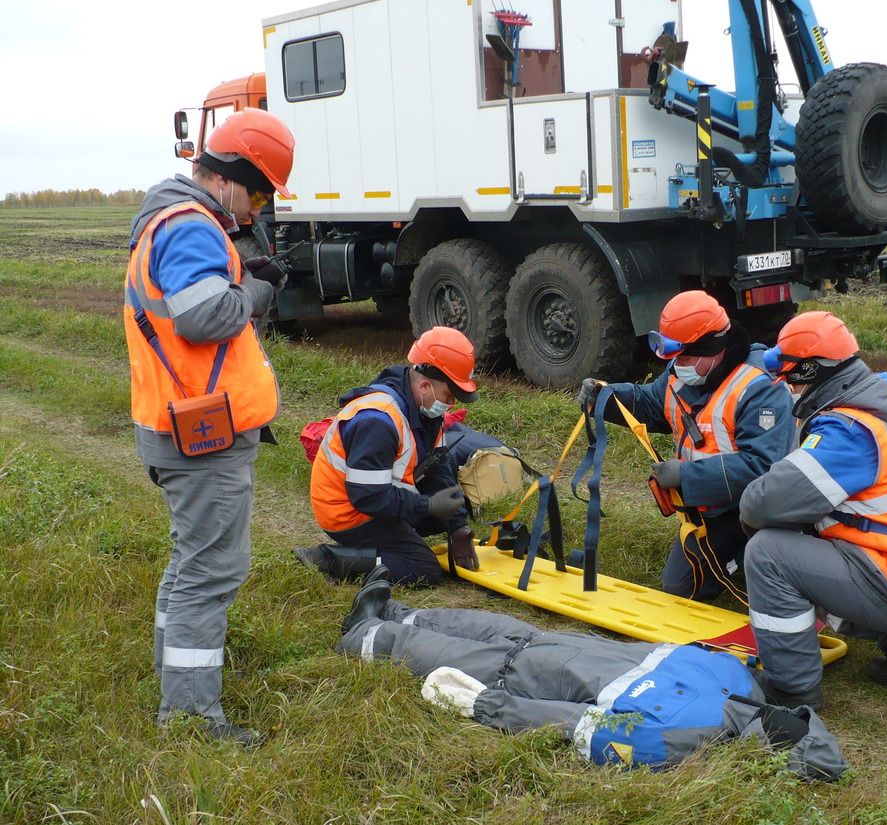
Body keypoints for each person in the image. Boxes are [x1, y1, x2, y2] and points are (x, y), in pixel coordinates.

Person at [123, 108, 296, 746]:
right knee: (211, 569)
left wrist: (241, 278)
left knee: (192, 561)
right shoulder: (192, 226)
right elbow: (202, 318)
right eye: (257, 192)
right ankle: (193, 718)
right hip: (201, 438)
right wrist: (253, 293)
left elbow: (191, 305)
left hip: (175, 424)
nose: (255, 210)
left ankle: (179, 678)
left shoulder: (168, 219)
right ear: (229, 177)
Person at [335, 574, 848, 780]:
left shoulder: (677, 743)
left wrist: (487, 707)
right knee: (490, 626)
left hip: (536, 678)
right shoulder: (741, 681)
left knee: (451, 654)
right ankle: (400, 613)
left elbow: (575, 725)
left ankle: (364, 636)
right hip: (576, 649)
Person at [740, 311, 887, 711]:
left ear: (812, 370)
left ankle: (792, 690)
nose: (785, 385)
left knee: (769, 553)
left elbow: (762, 504)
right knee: (814, 538)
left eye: (790, 375)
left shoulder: (848, 430)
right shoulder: (884, 407)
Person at [577, 291, 794, 601]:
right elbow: (653, 404)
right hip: (714, 505)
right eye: (676, 359)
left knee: (689, 586)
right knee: (680, 589)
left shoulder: (762, 388)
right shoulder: (684, 371)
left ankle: (761, 550)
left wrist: (686, 476)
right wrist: (606, 399)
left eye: (687, 358)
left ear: (714, 349)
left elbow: (762, 467)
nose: (679, 366)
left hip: (760, 507)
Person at [303, 326, 482, 585]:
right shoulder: (378, 420)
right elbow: (368, 498)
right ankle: (329, 559)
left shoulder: (425, 411)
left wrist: (457, 528)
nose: (451, 405)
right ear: (424, 385)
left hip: (377, 499)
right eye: (449, 395)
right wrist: (427, 506)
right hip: (349, 514)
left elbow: (437, 470)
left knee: (441, 517)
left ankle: (395, 540)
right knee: (423, 568)